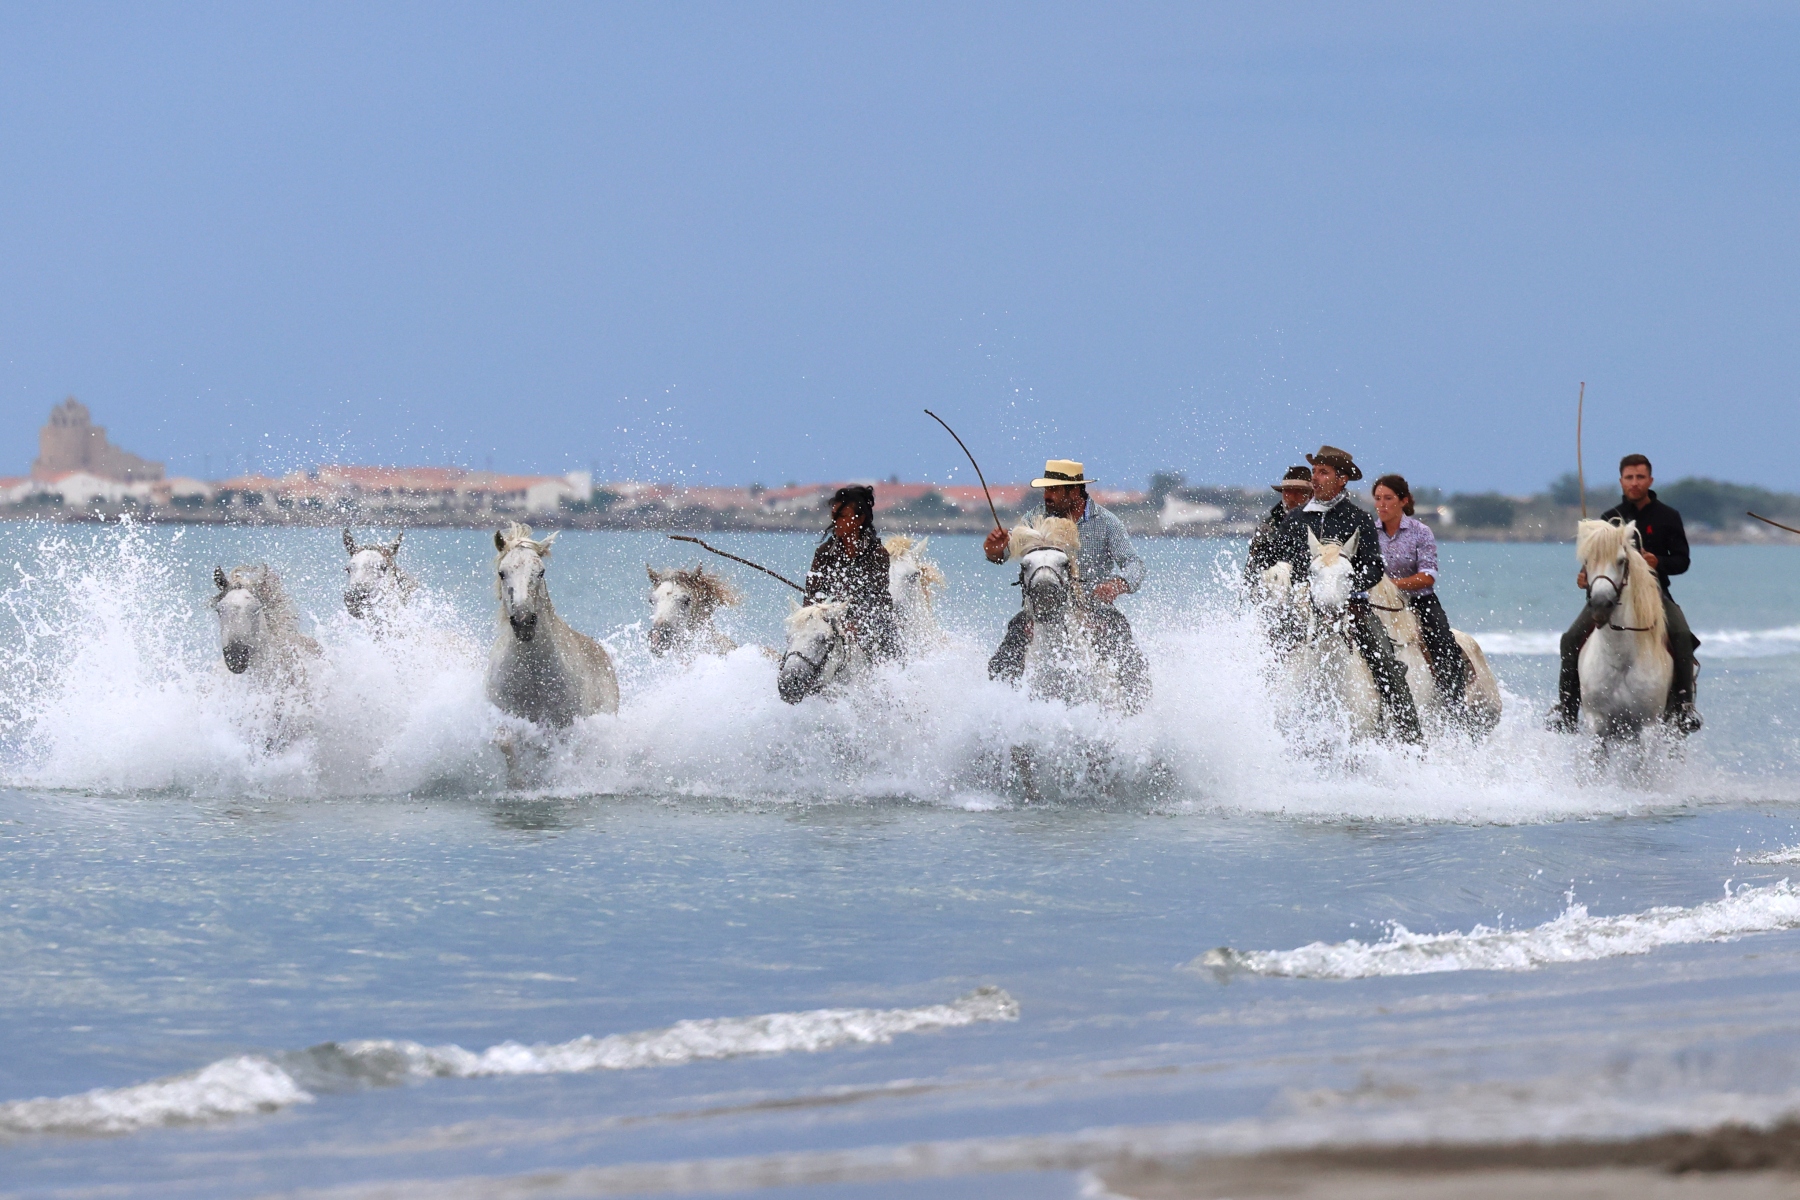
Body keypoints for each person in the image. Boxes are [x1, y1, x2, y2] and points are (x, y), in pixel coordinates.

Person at [1276, 445, 1424, 744]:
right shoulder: (1295, 520)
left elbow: (1373, 567)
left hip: (1353, 608)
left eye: (1323, 473)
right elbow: (1284, 561)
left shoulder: (1359, 519)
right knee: (1268, 654)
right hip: (1304, 607)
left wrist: (1347, 582)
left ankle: (1410, 737)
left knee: (1385, 661)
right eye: (1315, 472)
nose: (1315, 479)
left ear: (1342, 479)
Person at [1547, 454, 1701, 733]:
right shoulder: (1608, 519)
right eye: (1629, 477)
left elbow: (1683, 561)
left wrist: (1659, 562)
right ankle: (1566, 709)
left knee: (1680, 635)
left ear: (1650, 480)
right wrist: (1586, 576)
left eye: (1640, 477)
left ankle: (1684, 706)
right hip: (1610, 595)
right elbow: (1595, 560)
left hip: (1654, 595)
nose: (1635, 483)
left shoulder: (1668, 517)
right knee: (1570, 639)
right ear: (1621, 481)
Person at [983, 459, 1149, 699]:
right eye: (1045, 490)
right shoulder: (1035, 517)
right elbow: (1006, 552)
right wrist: (994, 551)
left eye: (1053, 490)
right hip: (1040, 607)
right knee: (1010, 644)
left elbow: (1134, 564)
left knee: (1125, 647)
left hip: (1095, 608)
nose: (1046, 497)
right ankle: (1000, 703)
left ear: (1073, 491)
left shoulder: (1107, 523)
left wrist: (1118, 584)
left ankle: (1135, 706)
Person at [1371, 473, 1469, 710]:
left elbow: (1428, 575)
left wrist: (1392, 586)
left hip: (1419, 601)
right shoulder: (1368, 532)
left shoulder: (1420, 532)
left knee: (1443, 642)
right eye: (1377, 498)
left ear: (1403, 501)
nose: (1381, 504)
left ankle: (1454, 703)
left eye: (1388, 498)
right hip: (1377, 604)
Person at [803, 484, 900, 660]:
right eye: (834, 516)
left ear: (860, 519)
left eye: (843, 516)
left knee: (887, 647)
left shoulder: (877, 554)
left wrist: (855, 624)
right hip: (832, 622)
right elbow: (812, 594)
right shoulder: (824, 553)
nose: (836, 522)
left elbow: (877, 599)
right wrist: (818, 612)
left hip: (872, 625)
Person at [1245, 466, 1314, 582]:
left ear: (1311, 496)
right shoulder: (1267, 527)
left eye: (1298, 492)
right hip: (1273, 587)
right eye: (1287, 492)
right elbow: (1252, 569)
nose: (1292, 498)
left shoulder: (1322, 526)